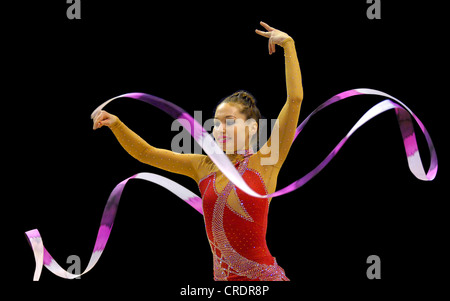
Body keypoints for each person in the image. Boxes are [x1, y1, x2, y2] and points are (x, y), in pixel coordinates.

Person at [93, 21, 303, 281]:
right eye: (215, 124)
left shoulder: (267, 161)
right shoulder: (203, 165)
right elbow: (146, 153)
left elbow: (294, 101)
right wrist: (117, 124)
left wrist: (289, 46)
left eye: (229, 121)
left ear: (251, 128)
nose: (219, 129)